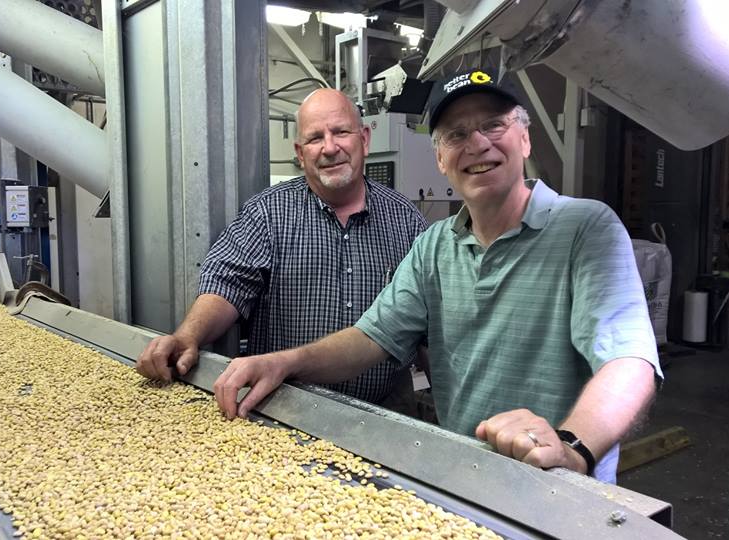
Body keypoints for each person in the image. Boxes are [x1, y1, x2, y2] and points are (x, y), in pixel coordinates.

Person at [210, 69, 663, 484]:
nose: (478, 144)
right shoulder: (435, 245)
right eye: (457, 134)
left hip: (559, 491)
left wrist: (572, 447)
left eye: (494, 126)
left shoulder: (586, 228)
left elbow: (628, 362)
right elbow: (373, 337)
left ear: (525, 139)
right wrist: (282, 363)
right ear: (441, 160)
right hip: (465, 477)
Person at [136, 88, 428, 410]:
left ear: (364, 138)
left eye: (340, 132)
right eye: (315, 138)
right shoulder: (268, 214)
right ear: (300, 153)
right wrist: (187, 336)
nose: (330, 148)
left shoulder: (406, 220)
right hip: (286, 408)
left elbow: (427, 322)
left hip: (383, 411)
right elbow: (225, 283)